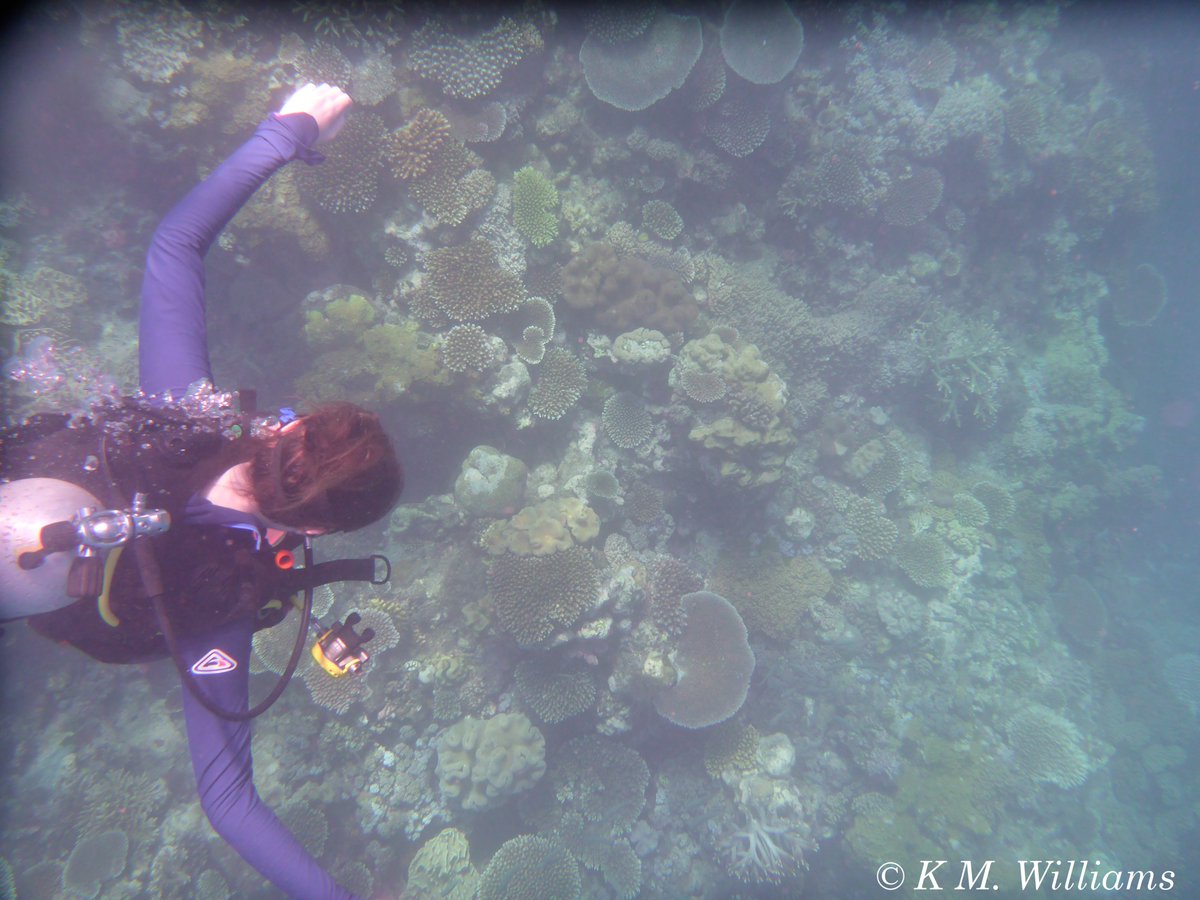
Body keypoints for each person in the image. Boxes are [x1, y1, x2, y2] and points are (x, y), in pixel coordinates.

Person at [0, 84, 400, 899]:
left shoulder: (184, 421)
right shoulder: (222, 600)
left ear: (286, 428)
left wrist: (283, 133)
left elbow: (174, 246)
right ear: (317, 534)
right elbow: (228, 803)